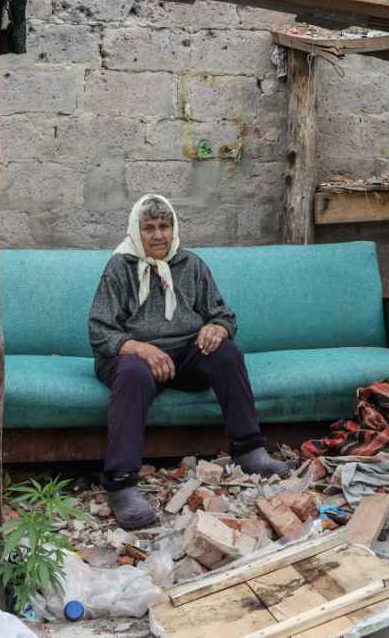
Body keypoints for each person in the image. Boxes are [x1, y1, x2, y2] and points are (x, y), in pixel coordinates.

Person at [88, 194, 289, 529]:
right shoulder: (119, 267)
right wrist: (140, 348)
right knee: (135, 374)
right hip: (132, 359)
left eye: (164, 226)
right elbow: (99, 330)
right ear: (136, 231)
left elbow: (224, 315)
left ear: (173, 228)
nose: (158, 235)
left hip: (183, 357)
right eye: (149, 227)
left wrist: (217, 327)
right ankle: (121, 483)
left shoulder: (191, 265)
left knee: (226, 353)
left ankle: (249, 450)